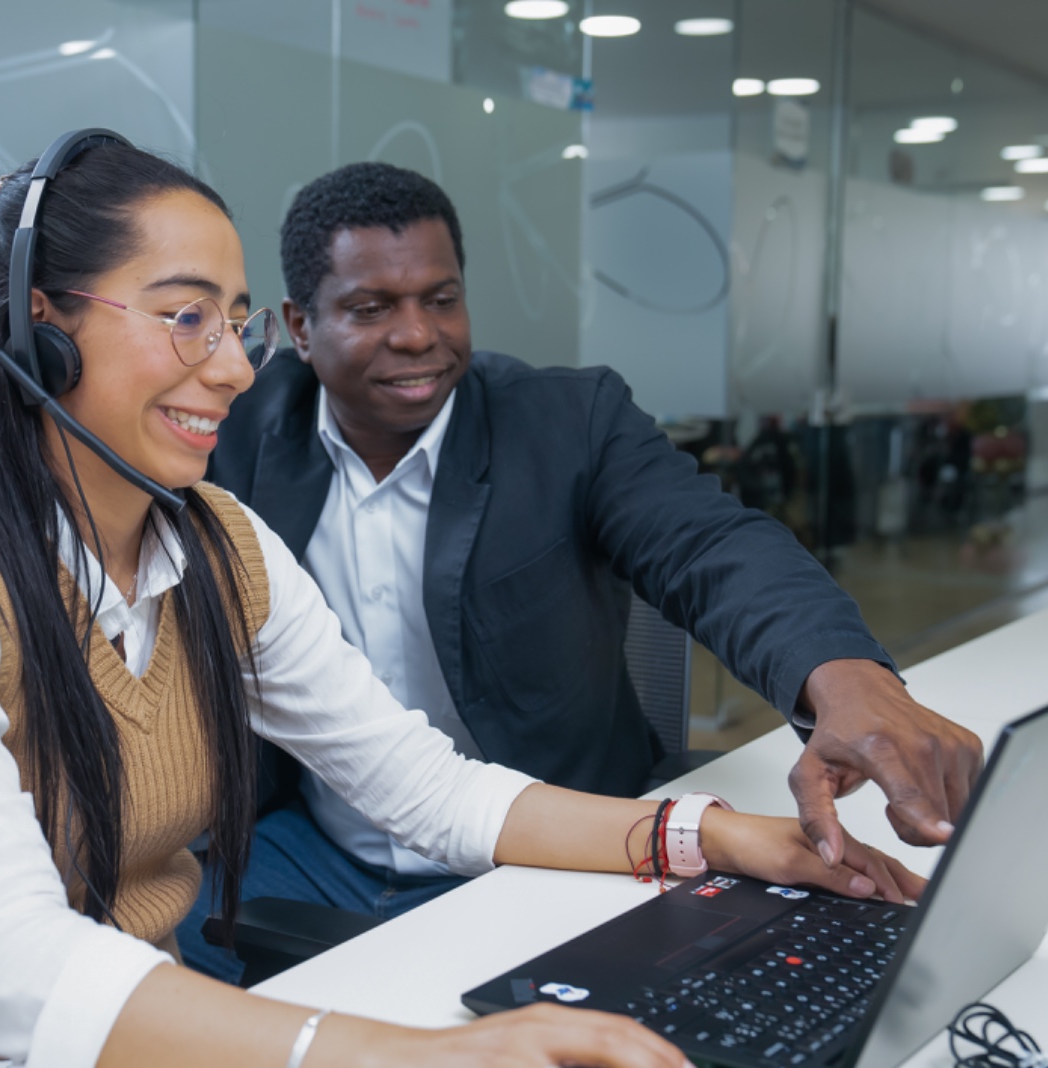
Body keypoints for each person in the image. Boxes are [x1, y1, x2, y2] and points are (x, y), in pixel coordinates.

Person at [0, 136, 923, 1068]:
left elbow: (421, 786)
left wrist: (724, 840)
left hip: (166, 1023)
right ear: (40, 327)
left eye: (231, 322)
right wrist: (416, 1052)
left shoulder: (217, 544)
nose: (235, 369)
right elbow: (3, 974)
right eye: (184, 316)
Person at [186, 162, 979, 982]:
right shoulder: (236, 432)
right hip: (311, 843)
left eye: (442, 298)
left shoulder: (568, 422)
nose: (418, 334)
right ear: (300, 327)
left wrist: (845, 678)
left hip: (545, 842)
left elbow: (710, 547)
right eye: (371, 308)